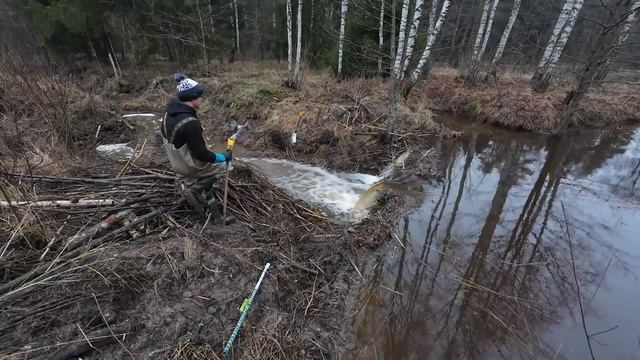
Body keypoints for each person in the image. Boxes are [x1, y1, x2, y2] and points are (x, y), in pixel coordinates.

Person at [161, 73, 231, 215]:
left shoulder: (168, 114)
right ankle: (195, 189)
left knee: (208, 168)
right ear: (193, 97)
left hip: (176, 163)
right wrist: (222, 157)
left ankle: (207, 199)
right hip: (188, 166)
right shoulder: (190, 123)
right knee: (228, 167)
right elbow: (201, 154)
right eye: (200, 96)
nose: (202, 99)